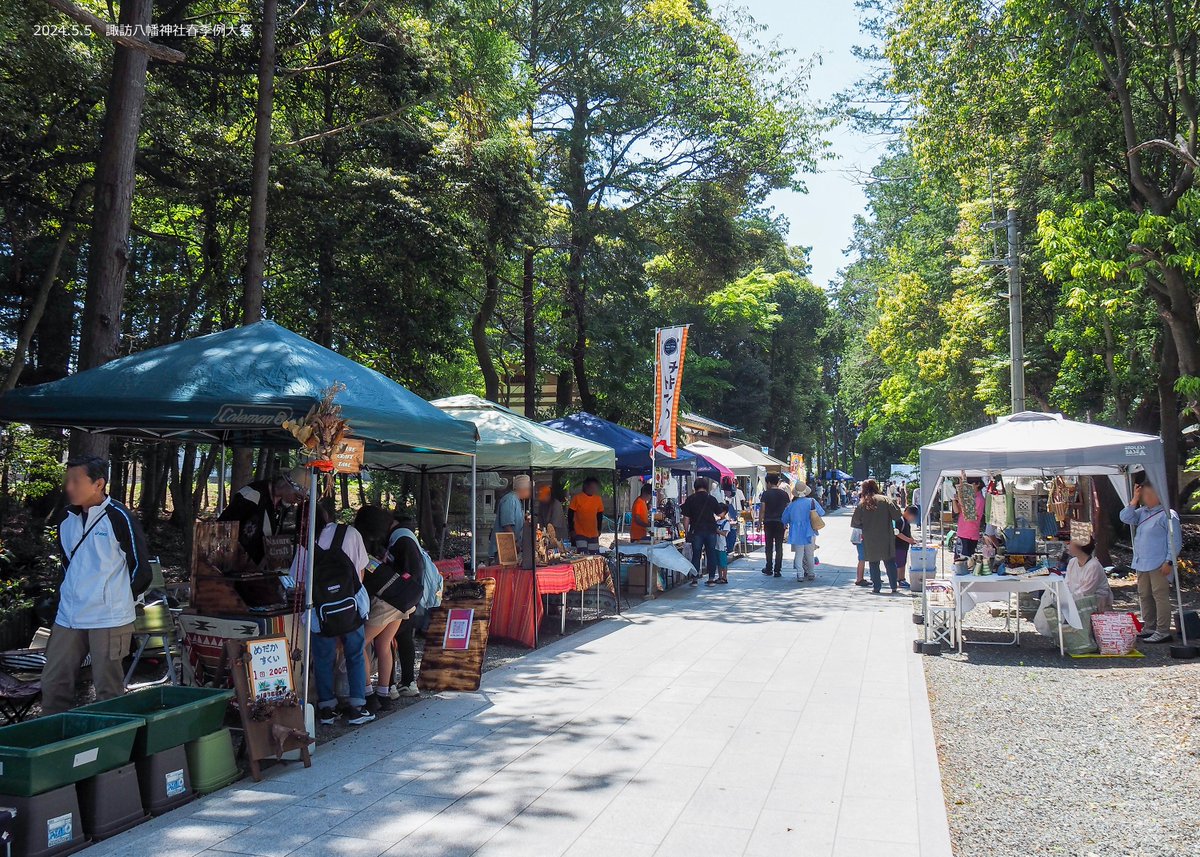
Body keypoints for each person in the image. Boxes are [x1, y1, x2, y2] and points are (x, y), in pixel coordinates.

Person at [43, 456, 153, 714]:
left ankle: (111, 750)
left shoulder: (118, 517)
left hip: (109, 618)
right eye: (67, 480)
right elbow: (67, 564)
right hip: (69, 615)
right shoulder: (65, 518)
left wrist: (120, 600)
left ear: (99, 484)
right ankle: (50, 745)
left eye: (75, 481)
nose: (68, 486)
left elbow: (141, 569)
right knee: (53, 683)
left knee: (108, 690)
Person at [294, 505, 374, 726]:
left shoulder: (306, 541)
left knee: (323, 658)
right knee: (355, 654)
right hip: (350, 607)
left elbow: (299, 582)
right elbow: (361, 571)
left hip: (320, 613)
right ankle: (357, 707)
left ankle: (327, 708)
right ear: (327, 514)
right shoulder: (350, 533)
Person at [353, 507, 415, 711]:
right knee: (384, 643)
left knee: (359, 643)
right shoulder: (400, 536)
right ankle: (385, 695)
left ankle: (369, 695)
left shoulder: (367, 548)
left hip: (387, 599)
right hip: (403, 597)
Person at [1119, 481, 1182, 644]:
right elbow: (1125, 517)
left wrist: (1169, 560)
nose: (1146, 498)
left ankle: (1162, 630)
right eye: (1144, 494)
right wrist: (1134, 499)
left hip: (1159, 562)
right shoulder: (1142, 512)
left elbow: (1174, 540)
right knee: (1144, 595)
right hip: (1141, 562)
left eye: (1149, 494)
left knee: (1159, 596)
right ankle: (1149, 627)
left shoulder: (1168, 514)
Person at [218, 467, 307, 564]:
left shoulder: (284, 505)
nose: (298, 502)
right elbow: (222, 527)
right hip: (237, 564)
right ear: (286, 484)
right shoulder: (251, 495)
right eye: (298, 497)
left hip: (261, 568)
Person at [850, 479, 904, 594]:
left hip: (870, 538)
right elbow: (897, 516)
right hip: (886, 536)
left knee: (873, 563)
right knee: (889, 562)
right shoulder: (885, 500)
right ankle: (894, 586)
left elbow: (855, 522)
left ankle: (876, 587)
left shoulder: (863, 503)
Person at [781, 481, 824, 582]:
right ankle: (811, 573)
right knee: (810, 554)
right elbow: (821, 512)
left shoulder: (792, 505)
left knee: (798, 554)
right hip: (810, 530)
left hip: (796, 533)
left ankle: (800, 574)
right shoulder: (812, 501)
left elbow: (784, 519)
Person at [681, 478, 721, 585]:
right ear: (706, 487)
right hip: (711, 530)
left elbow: (686, 518)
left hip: (696, 530)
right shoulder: (711, 499)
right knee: (711, 553)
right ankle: (711, 578)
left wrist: (686, 531)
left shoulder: (690, 499)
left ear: (695, 487)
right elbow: (720, 514)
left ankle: (694, 579)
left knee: (696, 554)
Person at [491, 475, 531, 562]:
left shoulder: (516, 500)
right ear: (523, 489)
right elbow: (507, 524)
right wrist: (515, 542)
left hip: (511, 545)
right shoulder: (510, 499)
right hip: (505, 546)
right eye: (529, 489)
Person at [758, 473, 791, 578]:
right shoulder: (784, 494)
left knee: (768, 546)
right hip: (780, 522)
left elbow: (762, 509)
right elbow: (787, 509)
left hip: (768, 522)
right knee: (779, 546)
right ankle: (777, 570)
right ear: (777, 482)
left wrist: (759, 522)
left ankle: (768, 568)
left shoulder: (765, 494)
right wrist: (787, 522)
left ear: (768, 482)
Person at [568, 477, 606, 553]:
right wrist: (571, 529)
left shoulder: (598, 499)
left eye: (596, 488)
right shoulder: (577, 498)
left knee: (594, 555)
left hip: (593, 533)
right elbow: (570, 514)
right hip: (580, 533)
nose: (595, 489)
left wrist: (599, 529)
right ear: (587, 487)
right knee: (583, 554)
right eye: (593, 487)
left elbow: (599, 516)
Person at [952, 476, 985, 561]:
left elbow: (971, 516)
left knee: (965, 561)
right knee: (958, 561)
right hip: (961, 532)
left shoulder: (979, 499)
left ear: (977, 484)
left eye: (970, 484)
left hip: (970, 534)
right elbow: (956, 511)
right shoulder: (967, 497)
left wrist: (961, 500)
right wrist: (954, 500)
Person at [894, 505, 919, 590]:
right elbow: (897, 533)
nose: (913, 519)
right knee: (899, 564)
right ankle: (899, 579)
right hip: (898, 546)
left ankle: (902, 578)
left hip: (904, 547)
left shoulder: (906, 522)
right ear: (907, 513)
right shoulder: (900, 520)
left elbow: (907, 532)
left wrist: (912, 539)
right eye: (913, 517)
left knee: (903, 563)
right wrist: (908, 540)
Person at [714, 503, 732, 584]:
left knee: (723, 562)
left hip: (722, 545)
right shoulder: (717, 521)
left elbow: (725, 533)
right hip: (716, 544)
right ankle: (720, 576)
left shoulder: (726, 523)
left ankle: (724, 577)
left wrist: (717, 530)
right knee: (718, 562)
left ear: (725, 512)